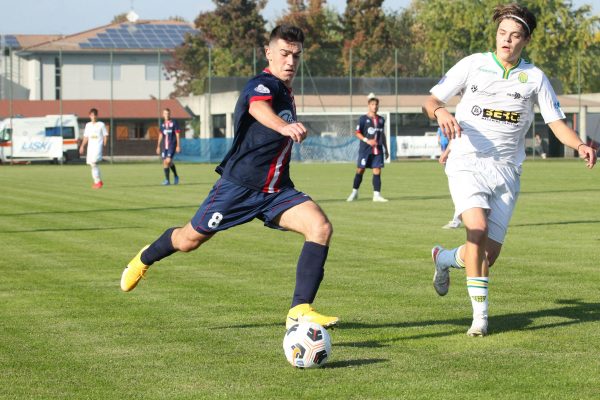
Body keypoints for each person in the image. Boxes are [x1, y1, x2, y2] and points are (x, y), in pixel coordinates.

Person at [121, 25, 338, 330]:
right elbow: (258, 108)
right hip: (238, 187)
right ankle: (145, 257)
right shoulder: (263, 84)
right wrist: (283, 126)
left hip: (276, 190)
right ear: (268, 53)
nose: (290, 61)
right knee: (188, 240)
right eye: (285, 53)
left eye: (296, 55)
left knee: (320, 227)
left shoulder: (287, 92)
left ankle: (299, 310)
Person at [422, 3, 596, 337]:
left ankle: (444, 259)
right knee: (477, 227)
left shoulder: (535, 78)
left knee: (488, 252)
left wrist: (580, 145)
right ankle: (480, 319)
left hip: (506, 171)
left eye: (515, 36)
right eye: (502, 33)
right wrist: (441, 112)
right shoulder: (474, 64)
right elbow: (431, 100)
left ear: (525, 40)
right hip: (466, 161)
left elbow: (556, 123)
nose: (507, 40)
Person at [346, 93, 390, 202]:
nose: (374, 106)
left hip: (378, 150)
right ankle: (354, 192)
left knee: (377, 171)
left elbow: (382, 135)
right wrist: (367, 140)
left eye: (376, 104)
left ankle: (376, 195)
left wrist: (386, 149)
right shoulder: (363, 119)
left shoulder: (381, 120)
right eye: (372, 104)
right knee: (360, 170)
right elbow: (357, 133)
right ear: (369, 105)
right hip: (365, 150)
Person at [79, 108, 108, 189]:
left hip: (97, 147)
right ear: (89, 116)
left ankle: (98, 182)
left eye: (95, 115)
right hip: (90, 148)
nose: (93, 117)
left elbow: (105, 135)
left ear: (97, 116)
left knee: (94, 162)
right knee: (92, 164)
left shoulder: (101, 124)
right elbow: (86, 137)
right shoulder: (88, 125)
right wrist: (82, 146)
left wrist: (104, 144)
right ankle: (98, 182)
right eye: (92, 115)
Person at [438, 143, 462, 229]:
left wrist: (445, 153)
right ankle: (457, 220)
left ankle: (456, 221)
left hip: (460, 161)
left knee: (459, 193)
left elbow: (455, 139)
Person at [157, 108, 181, 185]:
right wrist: (158, 146)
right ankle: (170, 179)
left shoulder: (174, 123)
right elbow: (160, 135)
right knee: (166, 162)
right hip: (165, 146)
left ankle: (172, 178)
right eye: (165, 113)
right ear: (163, 114)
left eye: (168, 113)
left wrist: (178, 145)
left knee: (167, 161)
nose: (167, 115)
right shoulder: (162, 124)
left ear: (170, 114)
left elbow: (177, 134)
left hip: (172, 145)